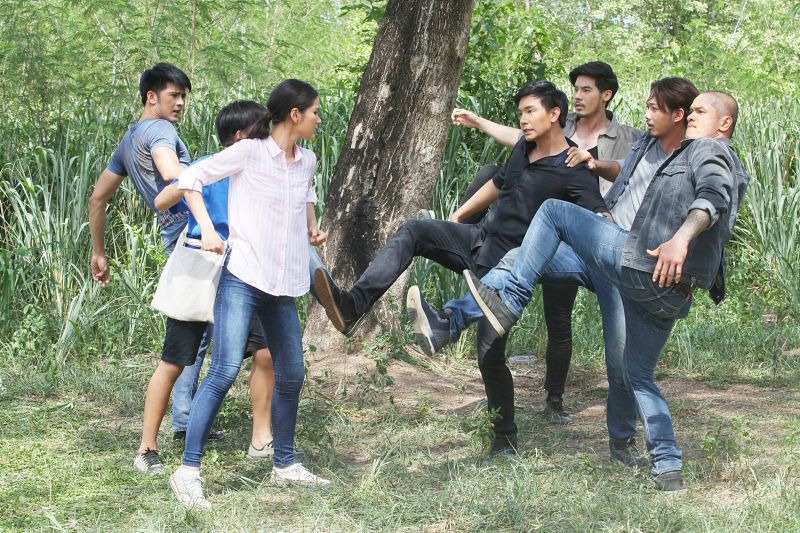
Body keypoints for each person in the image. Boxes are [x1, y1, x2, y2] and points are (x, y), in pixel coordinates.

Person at [418, 88, 748, 491]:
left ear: (724, 123)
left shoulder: (708, 150)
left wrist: (680, 239)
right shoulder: (665, 149)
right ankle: (666, 465)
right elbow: (638, 177)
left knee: (553, 213)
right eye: (690, 110)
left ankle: (489, 310)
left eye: (700, 111)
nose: (692, 116)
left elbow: (712, 197)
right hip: (669, 289)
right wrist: (596, 163)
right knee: (635, 372)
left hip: (638, 262)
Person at [314, 81, 610, 461]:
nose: (523, 119)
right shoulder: (524, 147)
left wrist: (619, 250)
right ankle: (353, 306)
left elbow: (597, 218)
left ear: (554, 114)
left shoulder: (574, 169)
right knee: (415, 231)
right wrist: (458, 216)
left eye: (530, 111)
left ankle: (504, 443)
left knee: (489, 353)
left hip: (505, 271)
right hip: (478, 239)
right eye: (520, 112)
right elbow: (500, 183)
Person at [450, 61, 642, 425]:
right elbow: (518, 136)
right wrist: (479, 122)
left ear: (606, 95)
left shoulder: (629, 137)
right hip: (540, 234)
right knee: (516, 293)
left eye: (586, 90)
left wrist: (596, 165)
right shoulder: (559, 126)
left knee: (560, 318)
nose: (578, 96)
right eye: (576, 89)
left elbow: (641, 168)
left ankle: (555, 398)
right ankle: (458, 320)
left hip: (592, 236)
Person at [169, 79, 329, 509]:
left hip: (284, 286)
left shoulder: (307, 160)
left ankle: (284, 465)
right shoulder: (249, 152)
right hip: (243, 278)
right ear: (294, 114)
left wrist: (312, 227)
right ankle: (187, 472)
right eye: (315, 111)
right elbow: (190, 178)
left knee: (292, 375)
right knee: (222, 372)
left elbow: (306, 196)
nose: (319, 119)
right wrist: (206, 229)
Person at [87, 63, 224, 470]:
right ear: (152, 97)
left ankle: (185, 420)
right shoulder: (161, 131)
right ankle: (175, 428)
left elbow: (97, 199)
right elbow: (173, 173)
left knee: (196, 331)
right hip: (194, 236)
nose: (180, 103)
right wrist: (205, 218)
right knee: (194, 334)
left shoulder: (129, 139)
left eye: (184, 97)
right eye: (173, 95)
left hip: (172, 235)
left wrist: (99, 251)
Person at [135, 100, 283, 477]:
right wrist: (203, 222)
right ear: (239, 136)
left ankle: (261, 439)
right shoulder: (209, 165)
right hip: (200, 270)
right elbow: (175, 193)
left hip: (245, 272)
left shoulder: (263, 169)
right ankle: (147, 447)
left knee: (265, 353)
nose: (268, 138)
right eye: (261, 131)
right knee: (175, 360)